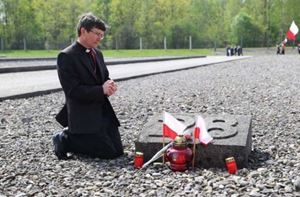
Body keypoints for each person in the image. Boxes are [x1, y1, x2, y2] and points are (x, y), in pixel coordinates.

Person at [52, 13, 124, 160]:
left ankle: (79, 138)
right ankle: (66, 137)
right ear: (83, 31)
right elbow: (73, 91)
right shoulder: (66, 56)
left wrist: (109, 85)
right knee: (108, 153)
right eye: (97, 34)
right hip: (83, 116)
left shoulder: (98, 53)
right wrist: (101, 90)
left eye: (102, 35)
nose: (99, 38)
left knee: (118, 151)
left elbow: (104, 77)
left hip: (102, 112)